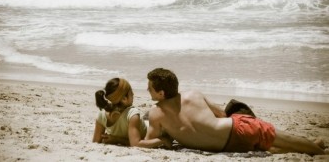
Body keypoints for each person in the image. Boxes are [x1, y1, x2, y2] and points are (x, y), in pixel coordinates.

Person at [139, 68, 326, 155]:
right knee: (272, 135)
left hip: (225, 147)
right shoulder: (193, 95)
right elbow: (221, 115)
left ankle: (315, 148)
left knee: (270, 145)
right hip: (235, 130)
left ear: (161, 93)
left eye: (150, 88)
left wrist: (166, 137)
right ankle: (314, 148)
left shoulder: (155, 114)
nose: (147, 90)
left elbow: (148, 141)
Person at [92, 78, 147, 146]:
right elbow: (135, 144)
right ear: (124, 99)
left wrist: (116, 139)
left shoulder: (102, 114)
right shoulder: (132, 114)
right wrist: (162, 140)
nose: (133, 94)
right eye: (131, 92)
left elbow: (95, 141)